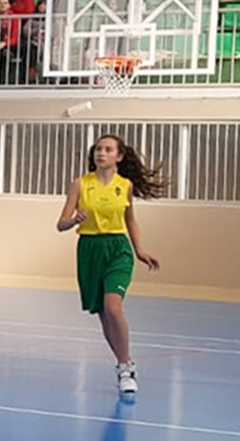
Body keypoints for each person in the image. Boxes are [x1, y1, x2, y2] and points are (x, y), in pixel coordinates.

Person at [55, 135, 163, 395]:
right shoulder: (80, 184)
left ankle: (126, 368)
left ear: (119, 156)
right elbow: (61, 224)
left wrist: (139, 250)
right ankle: (123, 363)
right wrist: (74, 220)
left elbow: (130, 220)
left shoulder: (124, 186)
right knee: (104, 315)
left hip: (118, 248)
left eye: (108, 149)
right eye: (98, 149)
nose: (101, 153)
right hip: (90, 249)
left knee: (113, 307)